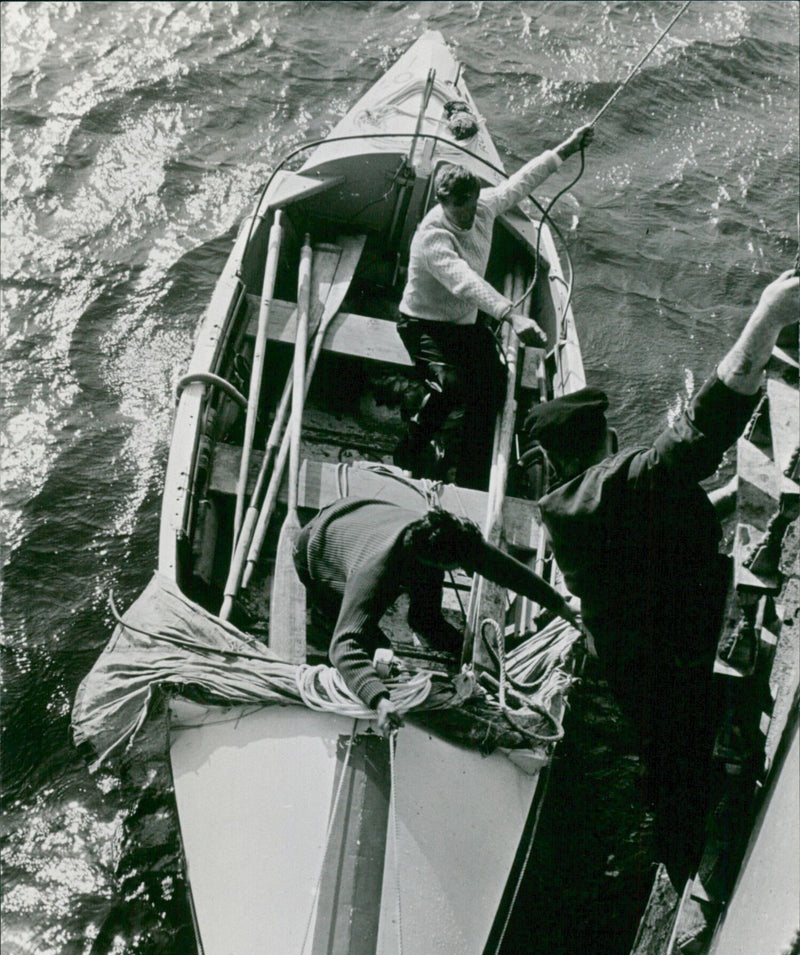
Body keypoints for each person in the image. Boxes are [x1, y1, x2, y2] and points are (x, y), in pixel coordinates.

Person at [520, 269, 799, 889]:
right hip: (661, 662)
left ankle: (685, 846)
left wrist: (733, 497)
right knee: (678, 762)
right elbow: (701, 430)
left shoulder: (587, 505)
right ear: (608, 441)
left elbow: (664, 507)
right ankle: (690, 870)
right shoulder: (603, 491)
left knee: (672, 755)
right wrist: (768, 317)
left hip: (644, 651)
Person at [395, 122, 595, 488]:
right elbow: (463, 281)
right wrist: (512, 315)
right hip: (423, 324)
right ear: (442, 202)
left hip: (465, 323)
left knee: (494, 385)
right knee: (450, 387)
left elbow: (519, 183)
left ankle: (469, 469)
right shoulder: (431, 237)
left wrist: (565, 148)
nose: (468, 215)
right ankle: (410, 444)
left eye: (471, 204)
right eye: (458, 208)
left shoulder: (482, 207)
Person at [292, 499, 582, 735]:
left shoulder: (449, 535)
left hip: (358, 513)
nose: (463, 569)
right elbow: (343, 646)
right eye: (454, 567)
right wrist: (379, 699)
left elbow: (503, 569)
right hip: (318, 550)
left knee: (425, 620)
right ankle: (328, 630)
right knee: (377, 651)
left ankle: (467, 666)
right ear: (428, 560)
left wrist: (560, 606)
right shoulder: (376, 573)